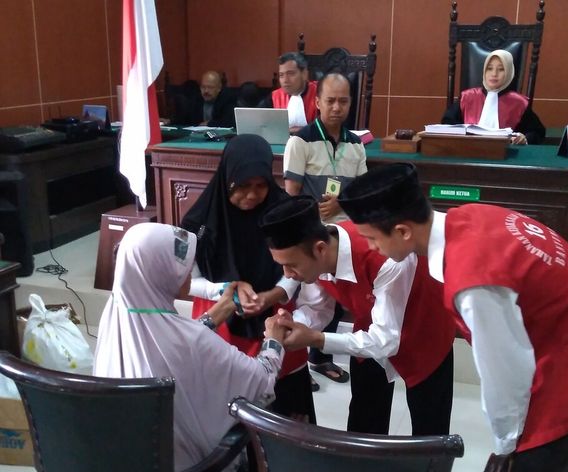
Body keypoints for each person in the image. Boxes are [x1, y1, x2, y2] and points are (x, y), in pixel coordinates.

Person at [336, 163, 568, 472]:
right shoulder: (471, 215)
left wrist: (506, 445)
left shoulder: (472, 280)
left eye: (372, 238)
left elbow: (505, 372)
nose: (371, 248)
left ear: (403, 231)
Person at [93, 222, 285, 472]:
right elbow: (261, 381)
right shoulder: (191, 341)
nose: (186, 276)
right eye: (180, 268)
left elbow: (171, 345)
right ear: (159, 271)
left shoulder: (115, 318)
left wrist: (218, 311)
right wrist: (274, 339)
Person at [260, 196, 456, 436]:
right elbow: (318, 308)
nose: (288, 275)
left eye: (291, 265)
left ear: (320, 249)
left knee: (430, 427)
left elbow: (386, 340)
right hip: (370, 329)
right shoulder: (318, 254)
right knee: (364, 420)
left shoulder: (385, 257)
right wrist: (288, 326)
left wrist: (316, 339)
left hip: (424, 331)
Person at [180, 134, 314, 423]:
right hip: (220, 319)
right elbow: (190, 281)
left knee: (284, 408)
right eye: (242, 186)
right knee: (226, 405)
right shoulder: (199, 222)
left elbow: (296, 270)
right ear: (227, 179)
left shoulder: (283, 213)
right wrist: (227, 291)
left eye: (260, 185)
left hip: (275, 316)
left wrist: (272, 295)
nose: (252, 195)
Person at [283, 72, 368, 383]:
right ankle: (295, 360)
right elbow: (291, 195)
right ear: (317, 102)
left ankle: (319, 358)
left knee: (337, 300)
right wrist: (314, 216)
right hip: (312, 234)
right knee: (312, 299)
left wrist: (341, 204)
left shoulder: (356, 144)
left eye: (343, 101)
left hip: (345, 236)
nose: (336, 107)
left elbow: (362, 192)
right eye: (330, 101)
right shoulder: (301, 141)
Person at [442, 49, 546, 145]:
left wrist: (525, 138)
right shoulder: (467, 97)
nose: (494, 74)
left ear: (509, 72)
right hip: (468, 151)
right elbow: (448, 122)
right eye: (490, 68)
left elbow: (537, 132)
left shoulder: (519, 103)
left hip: (505, 154)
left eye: (501, 69)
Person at [259, 52, 319, 132]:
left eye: (290, 74)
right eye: (281, 75)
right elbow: (260, 123)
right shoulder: (275, 97)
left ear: (304, 74)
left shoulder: (320, 93)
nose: (285, 80)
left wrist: (298, 131)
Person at [172, 70, 237, 127]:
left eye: (210, 87)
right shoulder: (197, 98)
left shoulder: (228, 99)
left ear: (219, 88)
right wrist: (171, 121)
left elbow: (229, 122)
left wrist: (209, 123)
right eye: (203, 87)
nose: (206, 91)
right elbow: (185, 119)